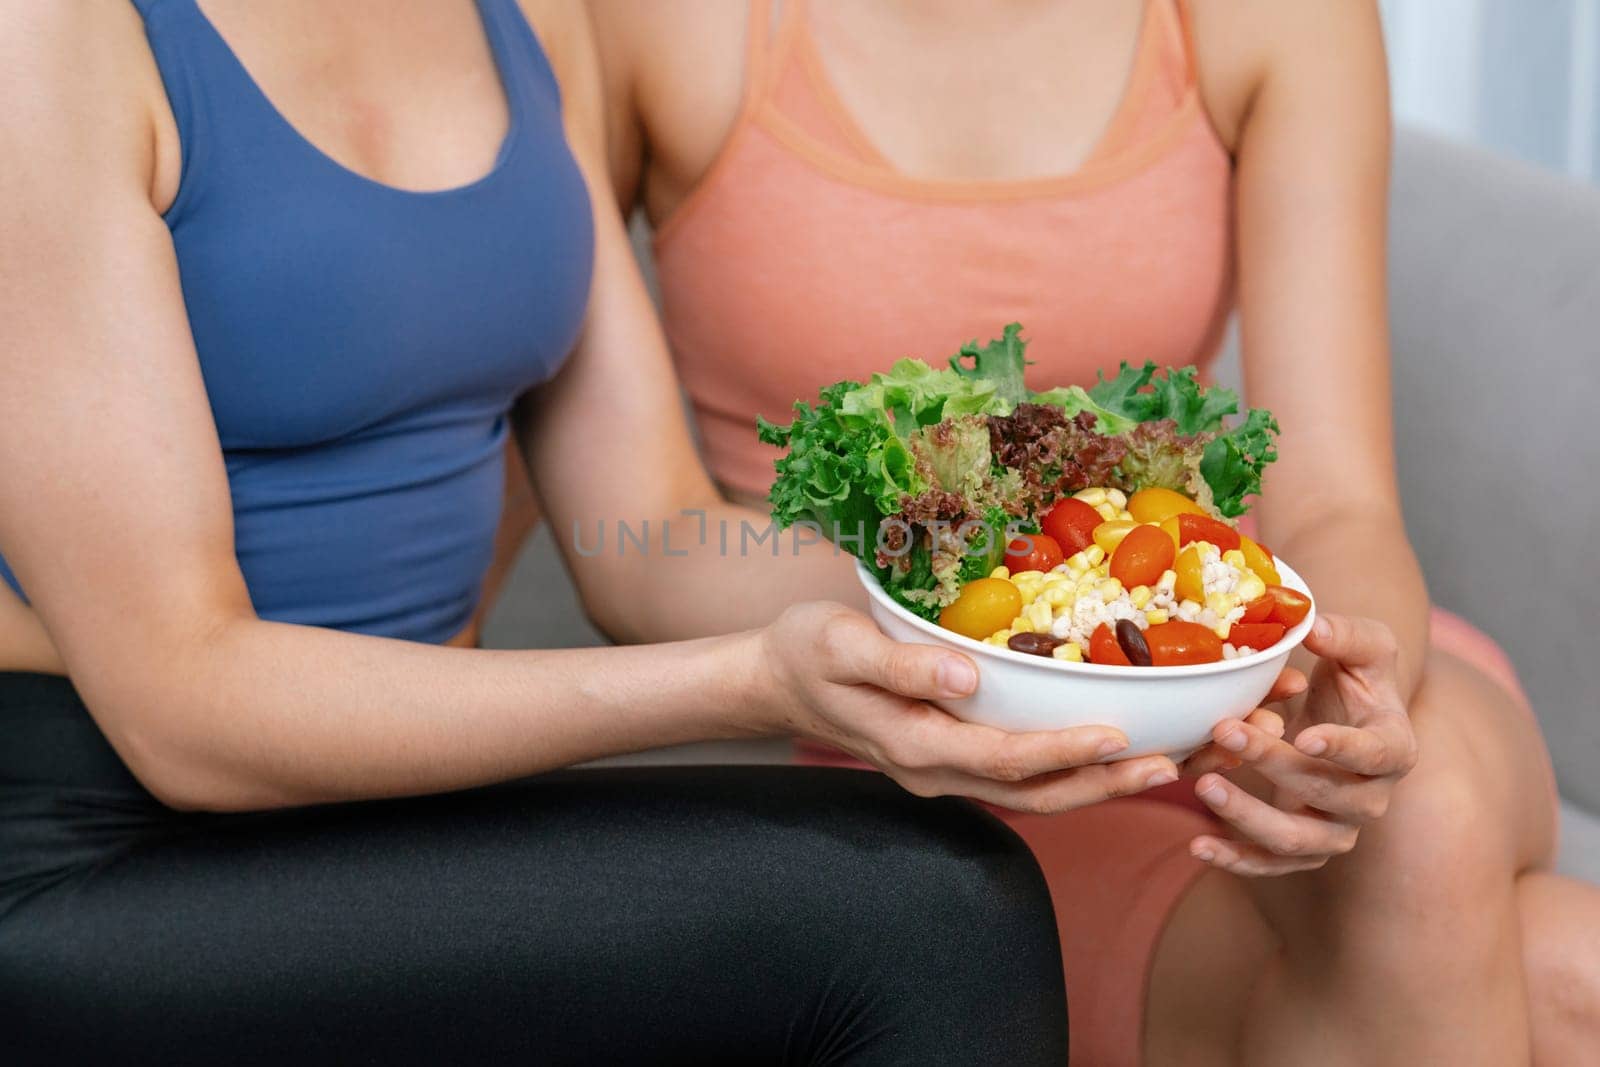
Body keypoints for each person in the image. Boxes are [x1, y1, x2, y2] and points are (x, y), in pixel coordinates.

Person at [0, 0, 1241, 1060]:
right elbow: (180, 703)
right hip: (70, 829)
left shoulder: (526, 20)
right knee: (937, 908)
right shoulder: (52, 37)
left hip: (377, 797)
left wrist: (1060, 604)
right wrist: (754, 685)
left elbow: (650, 540)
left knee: (933, 881)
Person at [586, 0, 1600, 1063]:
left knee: (1423, 812)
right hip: (923, 729)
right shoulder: (657, 26)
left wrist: (1327, 697)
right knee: (1563, 983)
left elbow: (1335, 499)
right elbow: (640, 541)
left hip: (1218, 655)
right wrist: (957, 608)